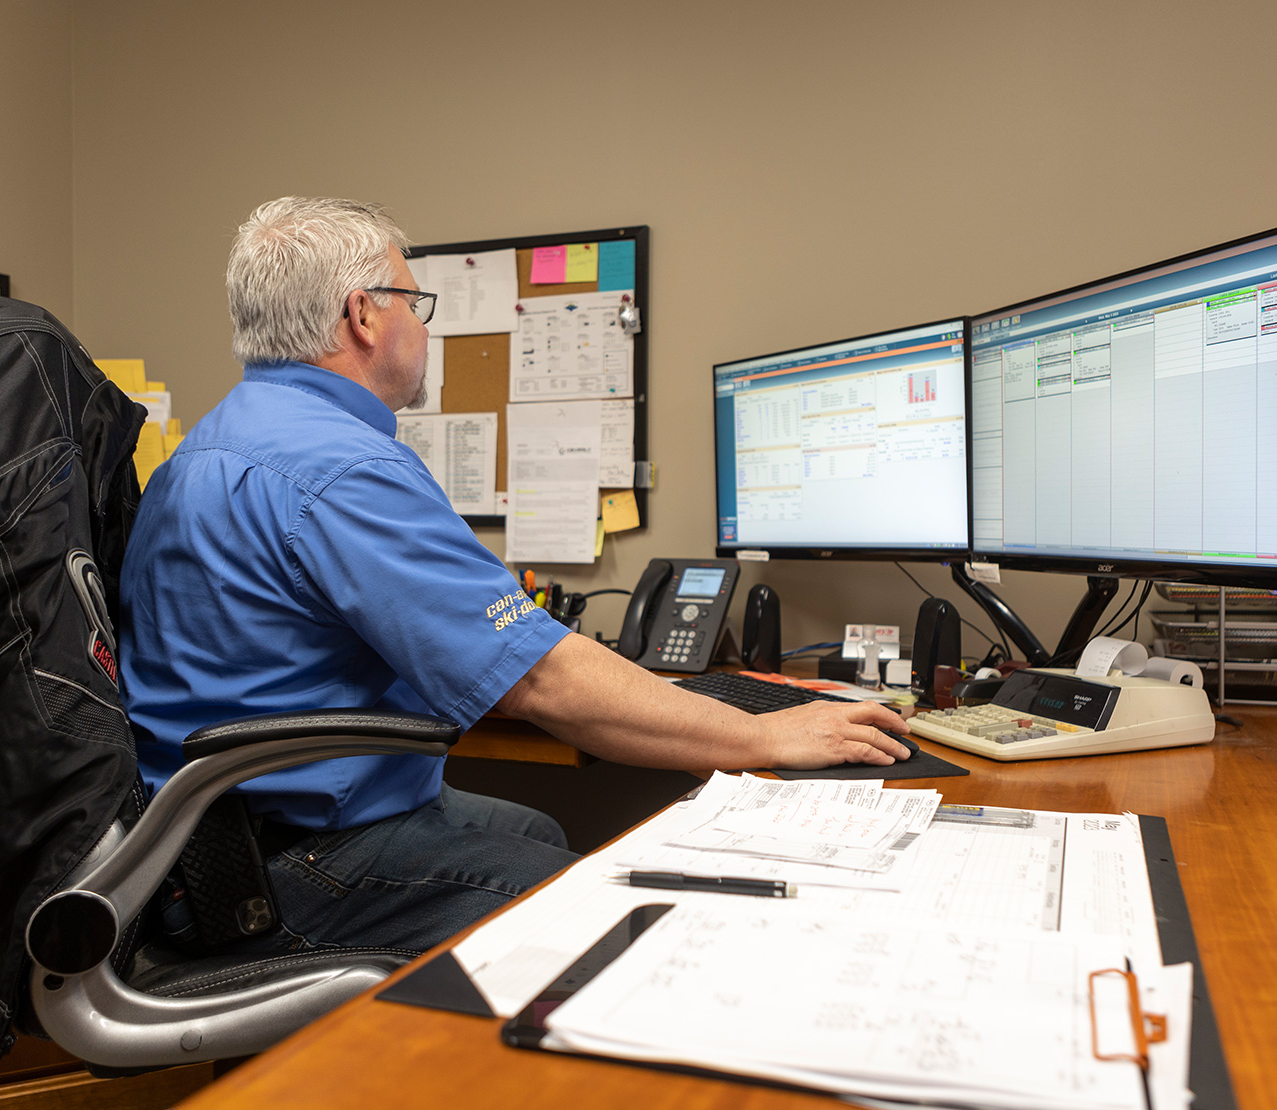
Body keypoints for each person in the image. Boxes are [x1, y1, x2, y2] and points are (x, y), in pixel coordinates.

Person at [120, 196, 913, 957]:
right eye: (413, 303)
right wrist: (761, 733)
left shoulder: (210, 445)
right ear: (363, 314)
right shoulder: (339, 465)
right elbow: (539, 681)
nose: (422, 329)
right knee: (593, 917)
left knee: (535, 832)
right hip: (270, 867)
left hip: (200, 842)